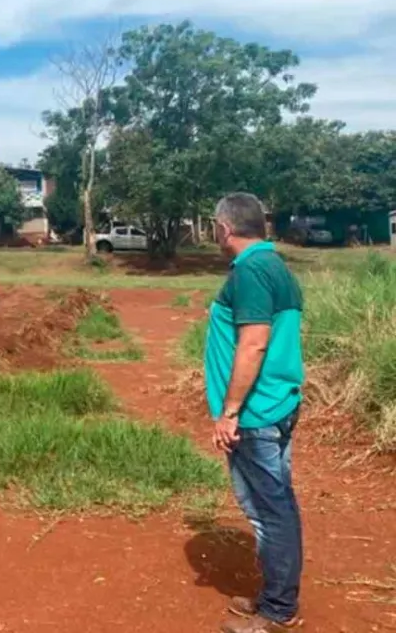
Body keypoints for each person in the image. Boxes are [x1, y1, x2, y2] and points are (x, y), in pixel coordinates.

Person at [205, 193, 304, 633]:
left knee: (271, 510)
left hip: (256, 413)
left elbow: (254, 343)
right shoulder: (276, 267)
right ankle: (273, 597)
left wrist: (229, 412)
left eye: (213, 226)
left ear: (224, 229)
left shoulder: (249, 272)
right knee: (272, 504)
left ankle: (279, 610)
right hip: (277, 403)